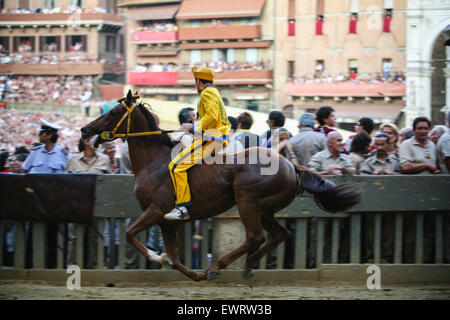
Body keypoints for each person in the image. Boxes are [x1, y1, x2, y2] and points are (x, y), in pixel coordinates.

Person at [165, 66, 231, 220]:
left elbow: (212, 117)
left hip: (212, 139)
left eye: (195, 81)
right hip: (217, 138)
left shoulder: (207, 93)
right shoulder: (214, 92)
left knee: (175, 166)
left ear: (199, 81)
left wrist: (193, 126)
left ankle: (182, 208)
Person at [21, 119, 69, 268]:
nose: (39, 135)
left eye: (41, 133)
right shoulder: (35, 153)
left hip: (54, 203)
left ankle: (51, 267)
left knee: (52, 235)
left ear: (49, 135)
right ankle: (28, 266)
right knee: (32, 234)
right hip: (35, 202)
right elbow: (25, 169)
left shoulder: (62, 153)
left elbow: (69, 174)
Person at [66, 139, 111, 268]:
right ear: (86, 142)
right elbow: (67, 184)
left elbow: (109, 182)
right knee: (74, 238)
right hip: (77, 205)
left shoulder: (105, 159)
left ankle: (97, 267)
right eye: (94, 139)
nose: (98, 142)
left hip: (98, 205)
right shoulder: (73, 159)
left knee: (98, 237)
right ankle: (72, 267)